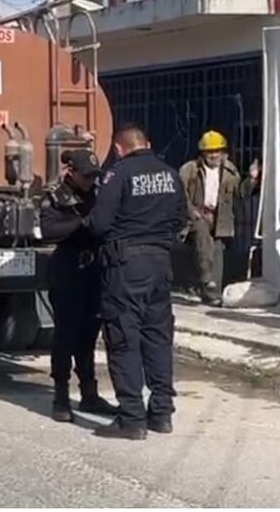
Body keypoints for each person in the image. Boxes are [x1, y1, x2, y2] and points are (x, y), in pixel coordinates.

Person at [88, 123, 188, 439]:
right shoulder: (170, 173)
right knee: (158, 336)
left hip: (126, 265)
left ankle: (131, 417)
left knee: (123, 337)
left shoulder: (118, 174)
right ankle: (161, 414)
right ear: (148, 142)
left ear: (119, 148)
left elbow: (99, 225)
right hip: (161, 262)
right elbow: (181, 218)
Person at [39, 150, 118, 423]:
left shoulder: (98, 194)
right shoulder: (55, 196)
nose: (90, 181)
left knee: (88, 336)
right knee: (66, 335)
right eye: (86, 176)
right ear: (71, 172)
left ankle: (89, 393)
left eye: (94, 176)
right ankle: (60, 396)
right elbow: (49, 231)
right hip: (68, 270)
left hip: (94, 270)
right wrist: (83, 223)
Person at [179, 130, 241, 306]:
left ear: (223, 153)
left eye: (217, 151)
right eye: (209, 152)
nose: (213, 155)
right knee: (201, 234)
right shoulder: (190, 169)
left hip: (220, 217)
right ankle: (207, 280)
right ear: (203, 153)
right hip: (197, 215)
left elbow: (240, 193)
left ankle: (212, 294)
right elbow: (180, 193)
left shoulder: (230, 171)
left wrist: (251, 180)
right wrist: (191, 211)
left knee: (217, 249)